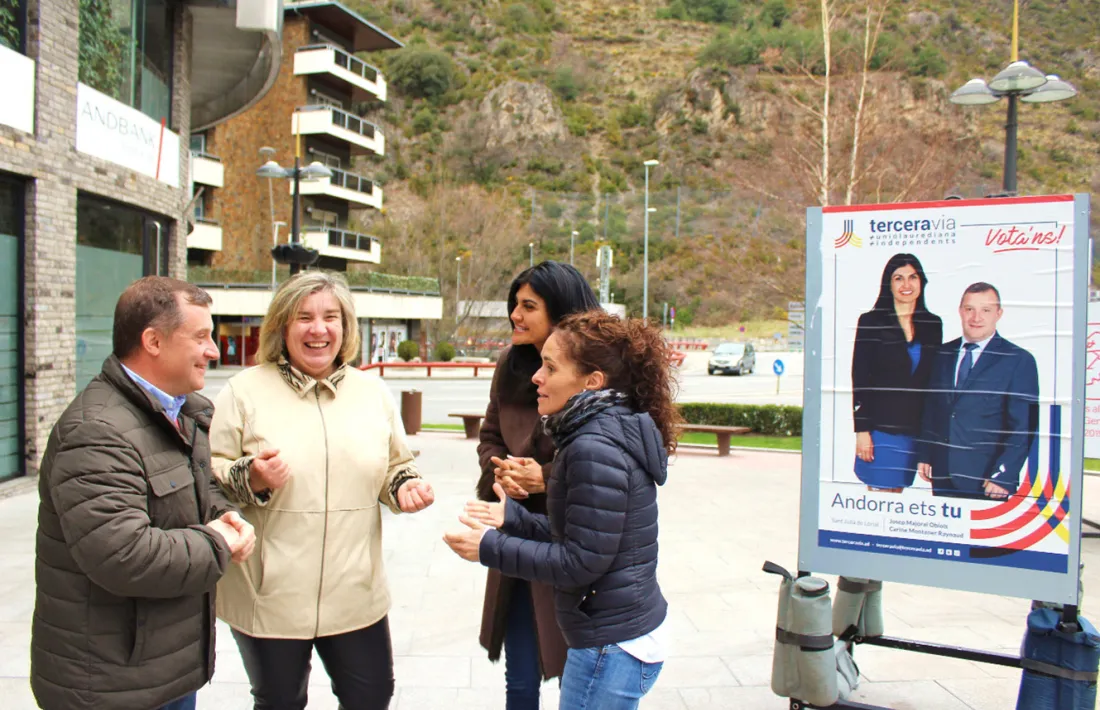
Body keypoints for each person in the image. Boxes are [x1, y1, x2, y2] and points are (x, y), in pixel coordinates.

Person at [209, 271, 435, 710]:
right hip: (269, 593)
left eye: (331, 316)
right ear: (281, 327)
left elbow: (395, 464)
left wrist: (406, 486)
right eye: (303, 318)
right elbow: (211, 474)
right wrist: (251, 477)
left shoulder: (372, 392)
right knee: (280, 701)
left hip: (355, 591)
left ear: (345, 326)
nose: (319, 329)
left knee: (371, 696)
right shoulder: (243, 392)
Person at [31, 276, 255, 710]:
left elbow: (200, 490)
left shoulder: (182, 412)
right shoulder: (95, 432)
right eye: (202, 337)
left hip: (163, 673)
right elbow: (123, 555)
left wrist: (227, 515)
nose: (213, 350)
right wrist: (219, 542)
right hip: (108, 688)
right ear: (153, 341)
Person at [445, 310, 677, 709]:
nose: (536, 376)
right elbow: (585, 535)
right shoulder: (599, 432)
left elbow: (579, 562)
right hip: (619, 637)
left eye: (550, 367)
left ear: (593, 382)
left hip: (610, 646)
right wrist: (513, 519)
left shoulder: (593, 447)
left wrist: (488, 548)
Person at [475, 261, 600, 708]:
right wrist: (500, 471)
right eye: (515, 304)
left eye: (529, 306)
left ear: (561, 312)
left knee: (578, 678)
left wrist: (545, 478)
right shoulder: (509, 363)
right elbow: (490, 434)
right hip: (517, 532)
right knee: (521, 677)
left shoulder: (596, 369)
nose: (515, 314)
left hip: (575, 540)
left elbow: (605, 454)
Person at [918, 282, 1040, 499]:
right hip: (943, 473)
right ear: (960, 311)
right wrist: (926, 454)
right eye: (969, 309)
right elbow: (932, 409)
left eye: (985, 310)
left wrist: (1004, 474)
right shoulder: (942, 354)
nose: (976, 318)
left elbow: (1024, 426)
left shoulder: (1018, 360)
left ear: (998, 314)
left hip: (987, 479)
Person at [851, 253, 943, 492]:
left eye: (913, 277)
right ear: (888, 284)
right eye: (898, 278)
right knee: (880, 497)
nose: (906, 285)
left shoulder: (933, 324)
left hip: (914, 429)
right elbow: (860, 378)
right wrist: (862, 430)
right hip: (880, 429)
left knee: (897, 497)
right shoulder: (871, 321)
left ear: (921, 282)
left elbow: (932, 382)